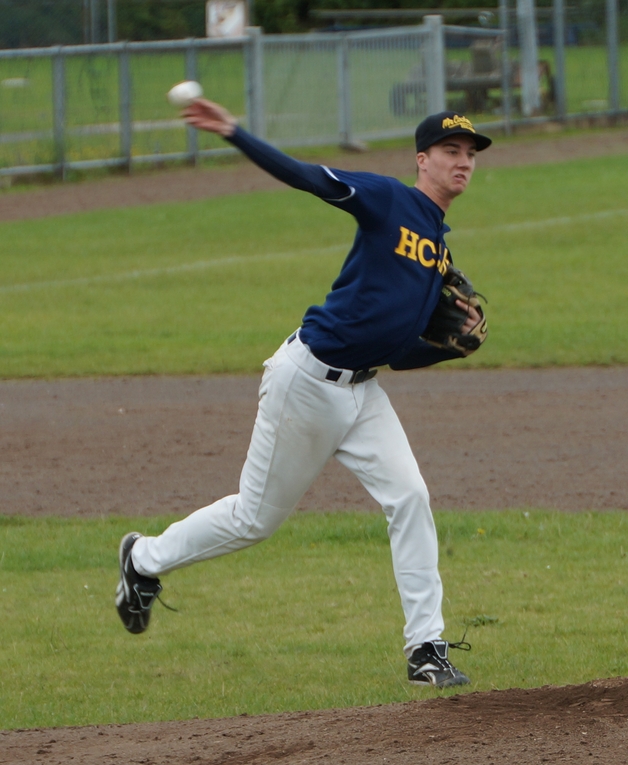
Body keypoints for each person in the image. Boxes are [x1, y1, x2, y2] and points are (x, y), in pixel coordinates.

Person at [114, 101, 493, 688]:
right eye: (451, 151)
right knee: (253, 520)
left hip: (363, 391)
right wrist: (236, 133)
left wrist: (449, 349)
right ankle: (142, 559)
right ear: (423, 160)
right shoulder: (387, 199)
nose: (463, 161)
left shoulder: (439, 251)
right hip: (308, 382)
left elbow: (398, 351)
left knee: (410, 497)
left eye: (469, 153)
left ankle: (426, 649)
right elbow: (308, 177)